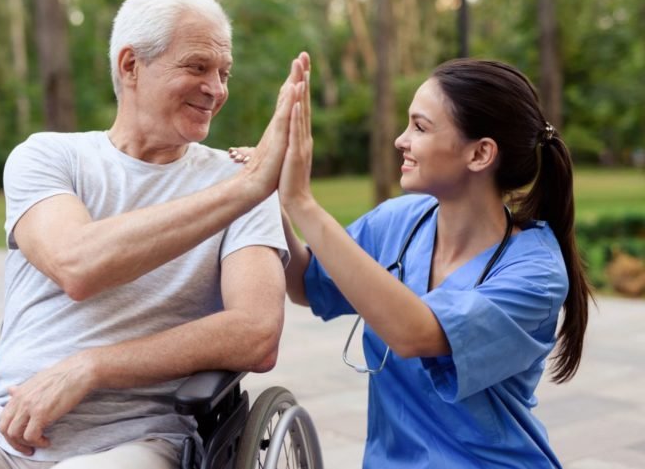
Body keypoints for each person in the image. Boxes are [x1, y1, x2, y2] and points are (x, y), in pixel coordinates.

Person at [0, 0, 309, 469]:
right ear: (130, 66)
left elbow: (256, 333)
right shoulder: (48, 157)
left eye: (223, 73)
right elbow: (77, 264)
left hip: (138, 444)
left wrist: (93, 366)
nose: (217, 88)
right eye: (197, 66)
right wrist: (246, 189)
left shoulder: (238, 179)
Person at [232, 57, 593, 467]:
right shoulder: (400, 220)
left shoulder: (536, 274)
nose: (400, 140)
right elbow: (305, 282)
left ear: (480, 154)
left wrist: (302, 202)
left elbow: (415, 333)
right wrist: (267, 194)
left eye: (420, 127)